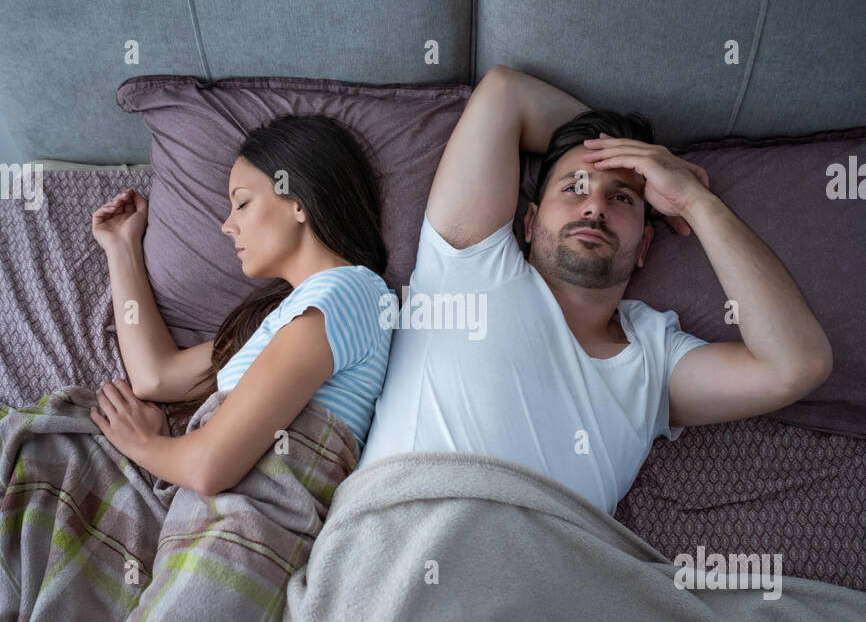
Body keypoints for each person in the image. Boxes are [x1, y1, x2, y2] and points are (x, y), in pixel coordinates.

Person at [357, 65, 833, 515]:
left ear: (646, 243)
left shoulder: (653, 358)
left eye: (622, 198)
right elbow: (505, 93)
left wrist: (694, 200)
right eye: (574, 187)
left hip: (548, 584)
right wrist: (653, 157)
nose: (594, 207)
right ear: (529, 220)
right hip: (401, 544)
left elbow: (796, 365)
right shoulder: (469, 261)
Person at [89, 114, 393, 495]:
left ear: (298, 202)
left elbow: (208, 468)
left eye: (242, 203)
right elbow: (156, 376)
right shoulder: (287, 318)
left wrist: (145, 445)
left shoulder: (346, 294)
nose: (227, 225)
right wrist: (121, 247)